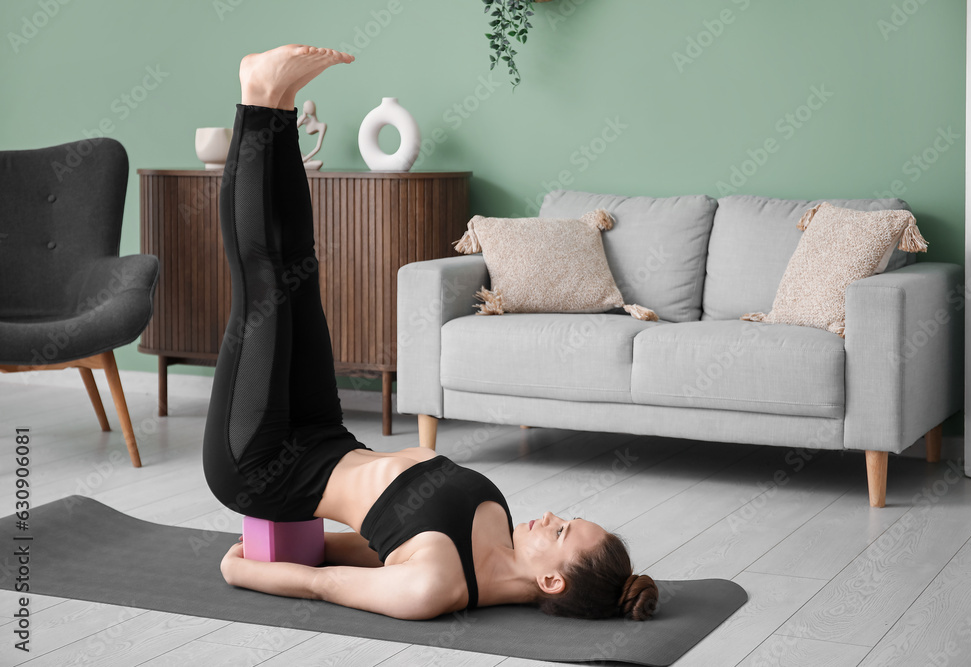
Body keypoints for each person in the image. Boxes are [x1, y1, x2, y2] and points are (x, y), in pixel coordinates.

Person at [203, 43, 659, 622]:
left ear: (551, 579)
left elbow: (326, 583)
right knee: (299, 270)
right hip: (323, 434)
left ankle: (256, 97)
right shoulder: (499, 521)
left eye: (562, 529)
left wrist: (245, 570)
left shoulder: (433, 588)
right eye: (563, 516)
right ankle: (281, 105)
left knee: (264, 286)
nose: (549, 516)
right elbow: (362, 545)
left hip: (261, 465)